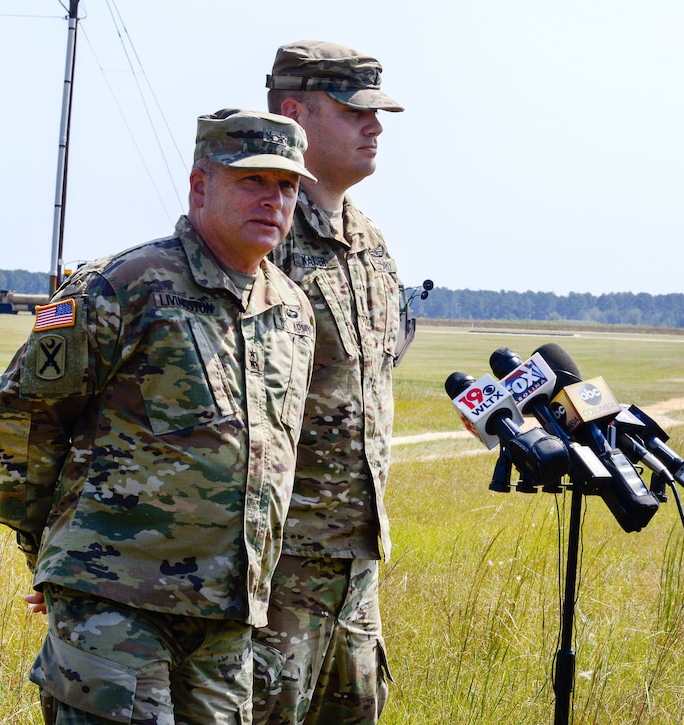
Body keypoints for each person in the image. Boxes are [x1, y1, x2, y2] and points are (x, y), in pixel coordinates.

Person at [0, 108, 317, 724]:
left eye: (287, 186)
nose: (273, 199)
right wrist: (49, 557)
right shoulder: (124, 285)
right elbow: (20, 418)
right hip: (114, 605)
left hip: (225, 621)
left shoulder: (292, 311)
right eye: (252, 181)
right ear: (199, 185)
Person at [252, 40, 406, 725]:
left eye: (379, 113)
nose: (375, 126)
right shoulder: (259, 237)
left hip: (356, 561)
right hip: (280, 567)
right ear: (295, 113)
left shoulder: (370, 241)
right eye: (354, 111)